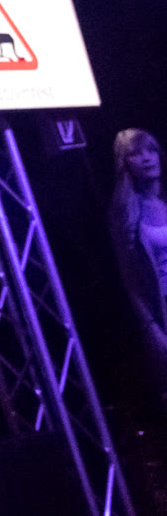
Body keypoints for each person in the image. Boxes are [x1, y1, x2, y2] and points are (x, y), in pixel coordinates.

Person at [109, 129, 167, 408]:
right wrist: (150, 326)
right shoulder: (127, 210)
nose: (146, 158)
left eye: (150, 150)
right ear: (125, 163)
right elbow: (129, 276)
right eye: (135, 153)